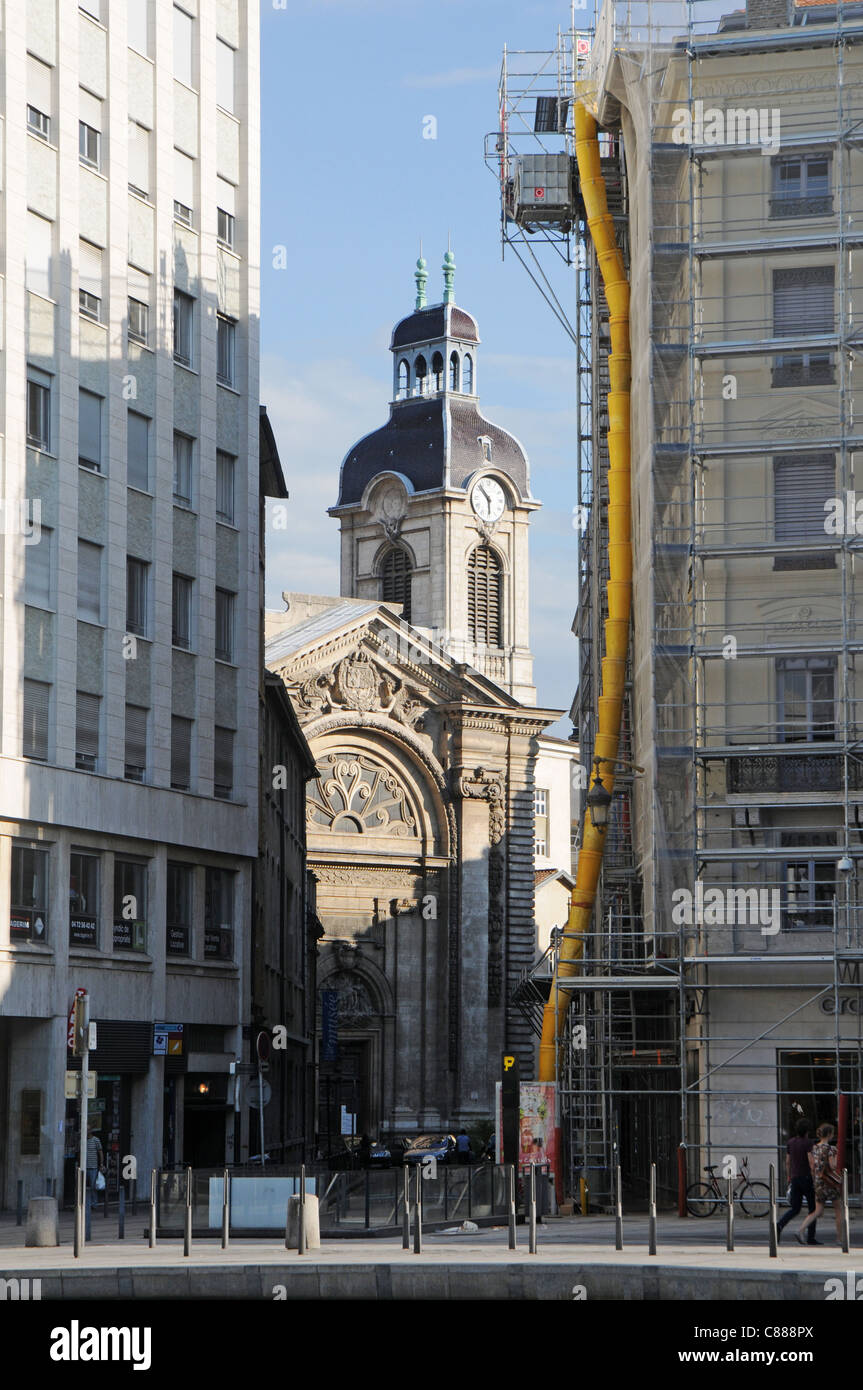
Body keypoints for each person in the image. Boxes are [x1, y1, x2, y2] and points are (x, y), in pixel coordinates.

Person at [797, 1123, 843, 1246]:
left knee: (818, 1210)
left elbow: (813, 1165)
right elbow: (833, 1166)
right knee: (839, 1210)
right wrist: (837, 1156)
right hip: (830, 1183)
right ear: (829, 1134)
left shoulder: (815, 1148)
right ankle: (840, 1238)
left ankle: (801, 1229)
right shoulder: (831, 1149)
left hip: (818, 1182)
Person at [776, 1119, 819, 1245]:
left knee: (795, 1208)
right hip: (806, 1177)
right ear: (807, 1131)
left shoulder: (791, 1142)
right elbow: (811, 1162)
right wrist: (815, 1176)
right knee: (813, 1208)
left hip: (795, 1178)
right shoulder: (808, 1143)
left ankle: (780, 1224)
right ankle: (811, 1237)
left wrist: (789, 1176)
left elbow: (788, 1161)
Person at [86, 1129, 104, 1199]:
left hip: (93, 1167)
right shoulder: (83, 1140)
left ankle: (94, 1203)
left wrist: (101, 1164)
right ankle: (86, 1203)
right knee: (84, 1187)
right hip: (84, 1167)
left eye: (87, 1130)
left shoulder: (96, 1140)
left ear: (90, 1131)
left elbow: (100, 1152)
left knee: (93, 1186)